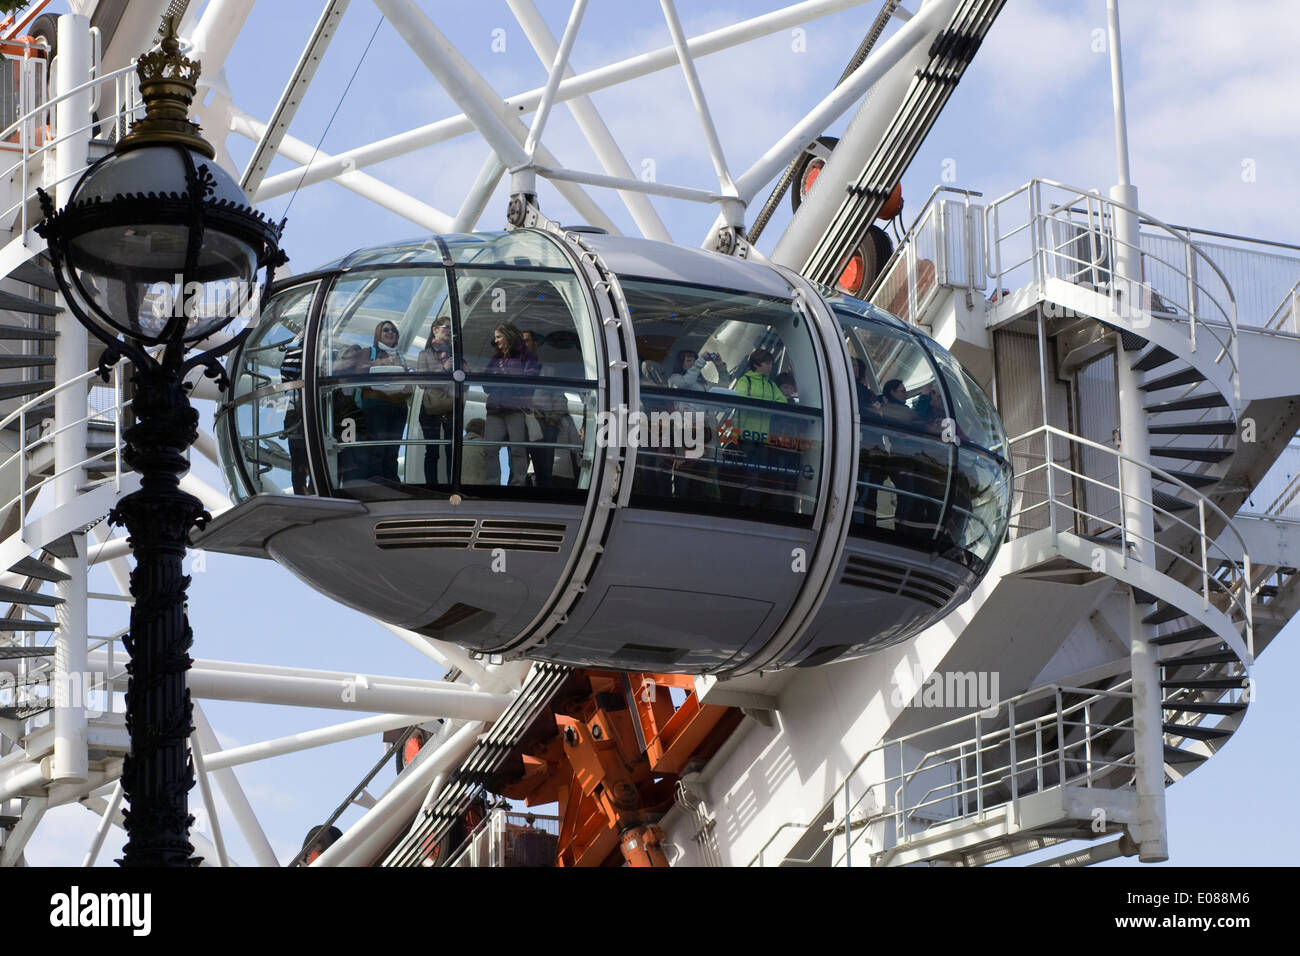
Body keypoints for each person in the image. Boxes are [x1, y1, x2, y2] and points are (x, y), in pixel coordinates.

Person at [483, 322, 539, 486]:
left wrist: (503, 377)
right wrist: (509, 380)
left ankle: (518, 484)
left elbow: (530, 381)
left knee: (517, 449)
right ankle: (492, 483)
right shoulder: (495, 358)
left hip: (515, 409)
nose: (496, 341)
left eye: (499, 337)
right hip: (495, 410)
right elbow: (486, 385)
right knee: (490, 449)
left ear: (508, 336)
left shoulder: (527, 356)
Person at [731, 348, 787, 507]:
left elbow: (782, 403)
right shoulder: (745, 381)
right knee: (751, 476)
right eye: (767, 363)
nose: (771, 367)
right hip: (746, 437)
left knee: (757, 476)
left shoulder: (770, 384)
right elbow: (741, 400)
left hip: (762, 439)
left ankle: (750, 506)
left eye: (771, 363)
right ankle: (746, 506)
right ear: (756, 364)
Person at [417, 317, 455, 486]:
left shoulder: (456, 354)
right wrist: (444, 369)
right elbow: (422, 382)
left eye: (451, 328)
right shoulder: (424, 354)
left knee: (451, 451)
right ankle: (432, 486)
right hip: (430, 408)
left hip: (451, 406)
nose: (449, 331)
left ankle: (452, 486)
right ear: (435, 330)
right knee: (432, 451)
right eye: (446, 327)